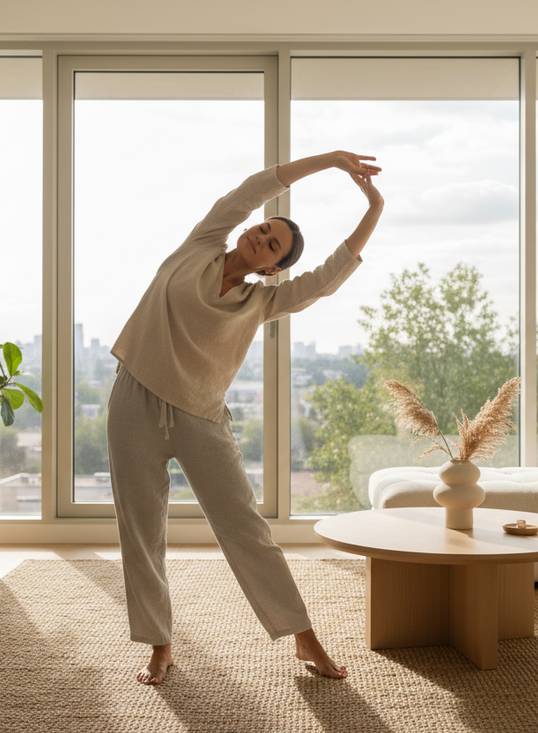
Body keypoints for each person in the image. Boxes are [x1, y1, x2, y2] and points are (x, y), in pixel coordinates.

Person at [107, 150, 384, 685]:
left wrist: (373, 206)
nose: (260, 236)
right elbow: (254, 187)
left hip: (201, 417)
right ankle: (160, 645)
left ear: (273, 267)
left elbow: (329, 277)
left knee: (245, 529)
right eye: (263, 228)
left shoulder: (262, 301)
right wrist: (331, 161)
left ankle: (304, 637)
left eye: (273, 244)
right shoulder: (201, 246)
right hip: (134, 401)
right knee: (140, 530)